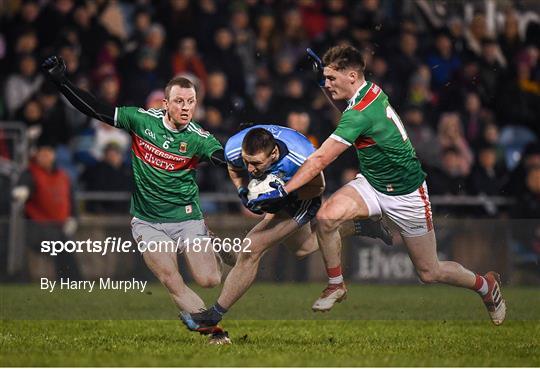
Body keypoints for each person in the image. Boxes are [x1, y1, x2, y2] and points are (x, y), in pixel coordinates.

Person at [250, 45, 506, 325]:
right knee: (326, 218)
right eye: (324, 78)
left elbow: (321, 158)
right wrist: (324, 84)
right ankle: (336, 284)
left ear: (351, 76)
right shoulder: (368, 90)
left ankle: (485, 286)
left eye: (331, 79)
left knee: (429, 272)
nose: (327, 84)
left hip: (407, 193)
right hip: (372, 184)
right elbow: (346, 108)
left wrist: (284, 191)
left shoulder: (360, 113)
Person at [41, 55, 232, 342]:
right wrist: (62, 82)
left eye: (191, 102)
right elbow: (96, 109)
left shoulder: (200, 138)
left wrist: (243, 162)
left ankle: (210, 243)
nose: (186, 107)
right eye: (179, 101)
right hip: (147, 221)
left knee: (209, 280)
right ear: (165, 104)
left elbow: (221, 158)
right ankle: (214, 332)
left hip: (187, 217)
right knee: (170, 278)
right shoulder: (141, 120)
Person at [179, 124, 391, 333]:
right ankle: (361, 226)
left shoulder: (301, 156)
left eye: (256, 164)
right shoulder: (235, 147)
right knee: (302, 249)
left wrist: (283, 195)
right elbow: (234, 167)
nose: (250, 169)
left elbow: (318, 187)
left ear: (273, 154)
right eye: (247, 162)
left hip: (303, 198)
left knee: (252, 248)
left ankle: (212, 315)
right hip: (280, 194)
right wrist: (242, 189)